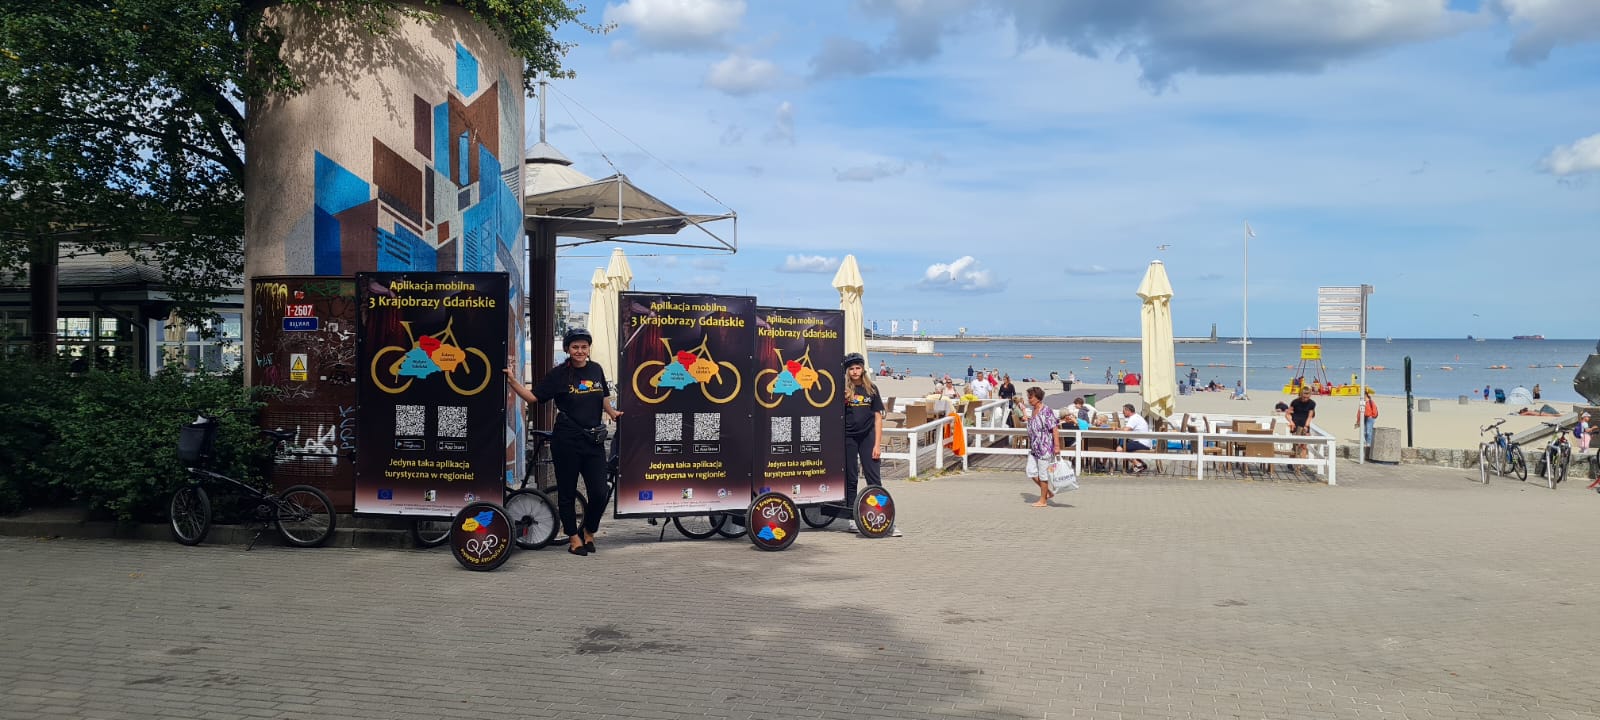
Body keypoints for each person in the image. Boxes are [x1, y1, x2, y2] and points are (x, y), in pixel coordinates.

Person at [503, 327, 621, 557]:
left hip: (593, 441)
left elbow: (603, 397)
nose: (580, 351)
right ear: (567, 349)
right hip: (567, 441)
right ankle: (573, 538)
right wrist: (512, 382)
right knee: (567, 492)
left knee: (600, 492)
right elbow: (533, 397)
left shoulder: (596, 369)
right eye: (575, 347)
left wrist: (613, 413)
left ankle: (589, 529)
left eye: (584, 347)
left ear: (589, 349)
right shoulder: (559, 374)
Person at [842, 353, 899, 536]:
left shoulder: (871, 389)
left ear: (863, 369)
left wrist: (877, 445)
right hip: (848, 438)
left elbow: (878, 418)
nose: (855, 371)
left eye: (858, 368)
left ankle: (884, 518)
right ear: (847, 371)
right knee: (850, 478)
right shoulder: (843, 389)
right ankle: (852, 518)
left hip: (868, 437)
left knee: (874, 478)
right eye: (851, 369)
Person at [1023, 387, 1061, 507]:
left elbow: (1054, 429)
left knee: (1043, 474)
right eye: (1028, 397)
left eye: (1031, 397)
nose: (1029, 399)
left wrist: (1057, 446)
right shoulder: (1033, 410)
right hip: (1034, 447)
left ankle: (1043, 500)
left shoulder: (1046, 410)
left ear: (1038, 398)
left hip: (1044, 447)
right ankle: (1047, 492)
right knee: (1031, 471)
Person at [1119, 404, 1151, 473]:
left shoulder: (1133, 418)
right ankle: (1141, 464)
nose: (1122, 412)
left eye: (1123, 411)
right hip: (1145, 442)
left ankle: (1138, 465)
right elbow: (1128, 429)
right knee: (1125, 445)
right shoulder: (1137, 417)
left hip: (1142, 443)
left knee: (1119, 449)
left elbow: (1126, 430)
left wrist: (1117, 429)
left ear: (1128, 410)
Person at [1289, 386, 1317, 458]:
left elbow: (1310, 416)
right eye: (1304, 397)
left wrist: (1306, 426)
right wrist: (1291, 422)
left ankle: (1302, 463)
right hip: (1295, 425)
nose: (1305, 399)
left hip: (1305, 425)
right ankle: (1292, 462)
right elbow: (1288, 414)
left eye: (1307, 397)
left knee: (1304, 446)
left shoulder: (1312, 403)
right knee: (1296, 446)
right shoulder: (1295, 402)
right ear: (1301, 395)